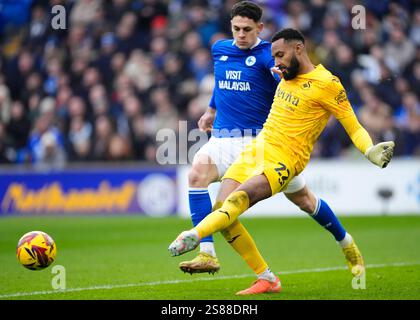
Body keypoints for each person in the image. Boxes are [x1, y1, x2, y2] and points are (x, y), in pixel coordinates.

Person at [169, 27, 395, 295]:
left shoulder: (328, 84)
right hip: (258, 148)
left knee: (237, 201)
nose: (275, 62)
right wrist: (212, 110)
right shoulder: (284, 74)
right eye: (273, 57)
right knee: (227, 211)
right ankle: (267, 278)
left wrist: (369, 150)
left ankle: (194, 235)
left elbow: (354, 126)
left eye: (280, 55)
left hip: (287, 159)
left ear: (298, 49)